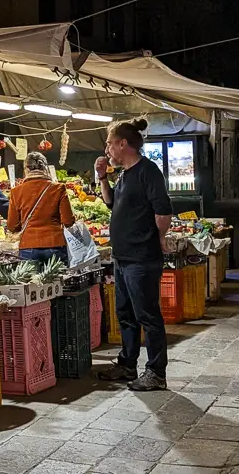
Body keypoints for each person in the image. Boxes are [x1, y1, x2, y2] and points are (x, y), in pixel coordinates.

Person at [96, 118, 172, 391]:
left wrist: (161, 238)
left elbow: (163, 211)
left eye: (109, 144)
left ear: (122, 144)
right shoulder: (125, 174)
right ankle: (128, 365)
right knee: (125, 314)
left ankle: (156, 373)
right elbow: (110, 203)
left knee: (148, 316)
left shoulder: (148, 171)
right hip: (122, 258)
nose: (107, 150)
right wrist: (103, 177)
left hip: (142, 258)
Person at [7, 151, 74, 264]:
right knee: (58, 281)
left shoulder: (16, 192)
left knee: (31, 281)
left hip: (28, 246)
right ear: (45, 168)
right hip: (55, 245)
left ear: (26, 169)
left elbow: (12, 226)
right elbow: (68, 221)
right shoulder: (58, 189)